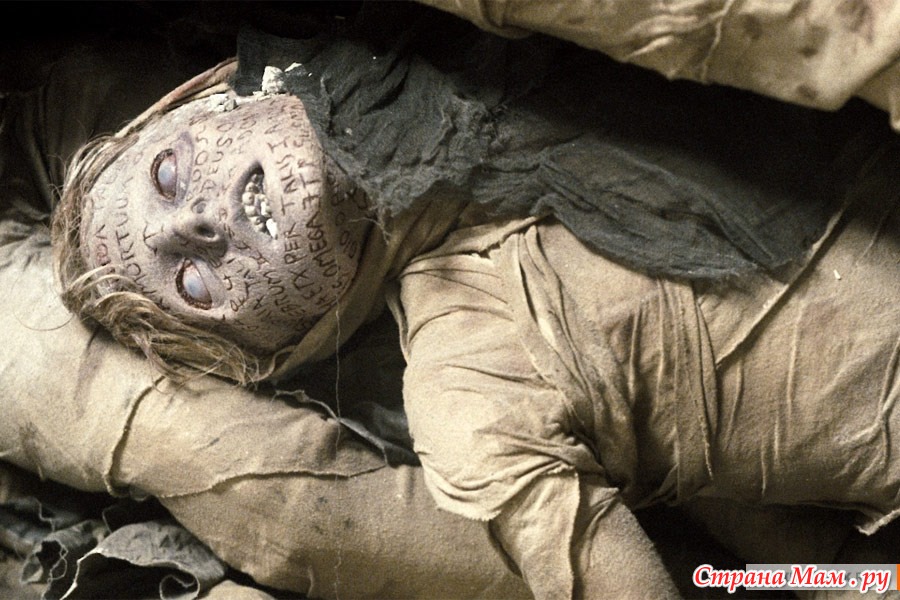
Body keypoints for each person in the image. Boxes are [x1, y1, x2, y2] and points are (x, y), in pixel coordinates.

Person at [50, 9, 900, 600]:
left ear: (213, 97)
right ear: (268, 347)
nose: (193, 224)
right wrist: (851, 580)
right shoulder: (466, 390)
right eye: (193, 286)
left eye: (167, 175)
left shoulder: (451, 44)